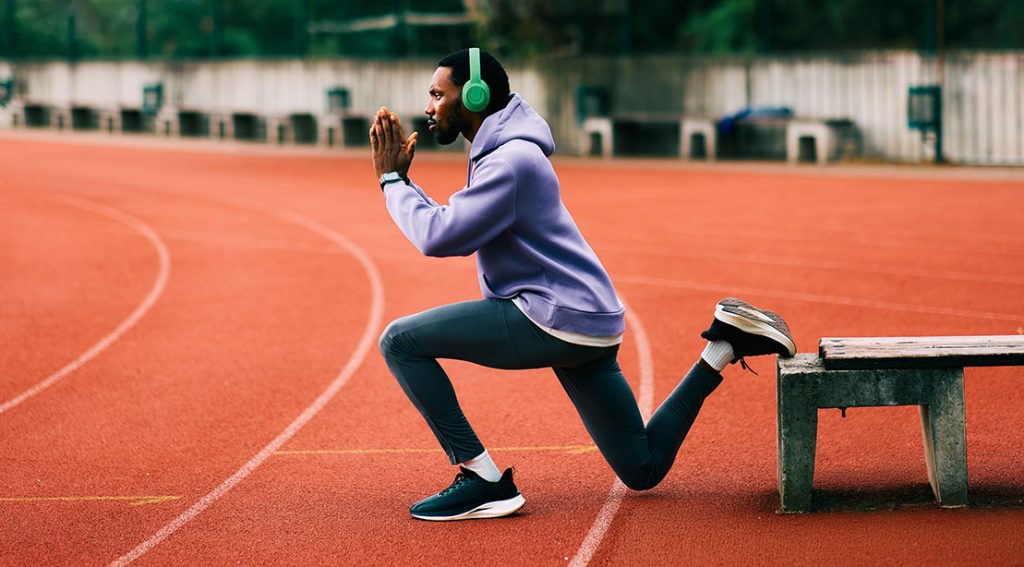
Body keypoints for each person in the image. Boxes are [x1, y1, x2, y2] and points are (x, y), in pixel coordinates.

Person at [369, 48, 796, 522]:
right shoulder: (503, 153)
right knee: (643, 468)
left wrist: (391, 180)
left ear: (474, 95)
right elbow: (455, 223)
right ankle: (724, 344)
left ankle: (482, 479)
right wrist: (403, 184)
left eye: (436, 94)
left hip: (553, 318)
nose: (428, 107)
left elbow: (439, 236)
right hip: (587, 322)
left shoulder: (510, 161)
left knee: (400, 342)